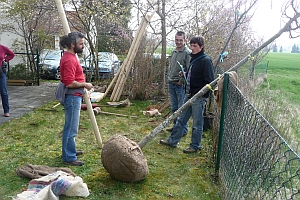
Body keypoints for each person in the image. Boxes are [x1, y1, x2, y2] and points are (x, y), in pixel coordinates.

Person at [160, 35, 214, 153]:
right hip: (189, 94)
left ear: (202, 47)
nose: (192, 48)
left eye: (195, 46)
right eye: (191, 45)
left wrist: (201, 94)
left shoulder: (205, 60)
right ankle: (172, 141)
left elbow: (209, 81)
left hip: (198, 98)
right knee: (181, 119)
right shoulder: (193, 59)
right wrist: (183, 75)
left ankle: (195, 146)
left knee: (197, 124)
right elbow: (192, 76)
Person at [55, 32, 93, 166]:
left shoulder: (71, 56)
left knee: (72, 127)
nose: (83, 46)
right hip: (72, 97)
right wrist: (85, 85)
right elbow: (69, 83)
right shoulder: (69, 59)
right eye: (81, 44)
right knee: (71, 128)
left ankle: (70, 150)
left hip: (75, 96)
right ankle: (69, 157)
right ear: (72, 45)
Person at [166, 31, 191, 134]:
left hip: (180, 85)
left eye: (181, 40)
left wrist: (181, 81)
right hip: (171, 83)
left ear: (185, 40)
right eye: (177, 40)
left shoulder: (187, 53)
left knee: (181, 109)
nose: (178, 42)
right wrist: (169, 77)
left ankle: (183, 130)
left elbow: (189, 69)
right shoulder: (174, 51)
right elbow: (171, 67)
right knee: (174, 108)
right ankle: (176, 127)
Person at [0, 44, 15, 117]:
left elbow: (12, 54)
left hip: (1, 72)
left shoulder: (3, 48)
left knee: (3, 91)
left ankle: (6, 110)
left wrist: (5, 59)